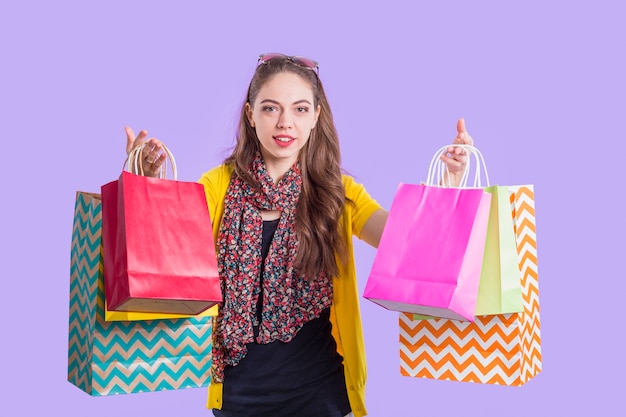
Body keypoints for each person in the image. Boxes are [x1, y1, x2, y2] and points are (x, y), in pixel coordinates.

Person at [124, 53, 474, 417]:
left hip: (320, 393)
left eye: (300, 109)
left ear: (316, 117)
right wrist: (147, 183)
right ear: (250, 114)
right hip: (238, 398)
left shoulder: (337, 192)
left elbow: (402, 239)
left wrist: (449, 183)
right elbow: (166, 249)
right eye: (271, 108)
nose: (285, 122)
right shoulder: (216, 186)